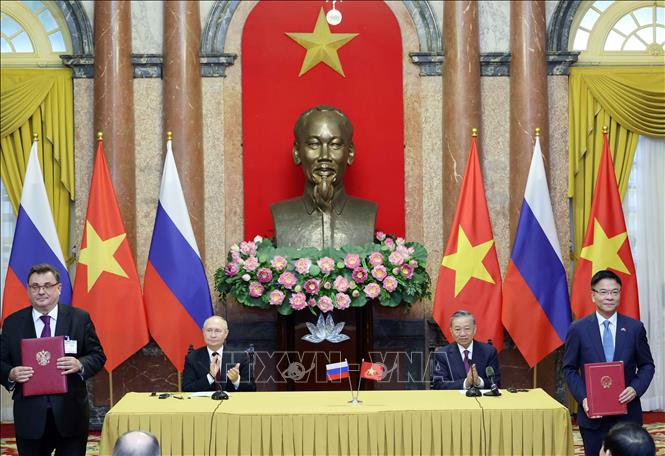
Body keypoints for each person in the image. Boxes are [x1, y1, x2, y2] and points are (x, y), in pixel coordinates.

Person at [0, 263, 106, 455]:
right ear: (28, 289)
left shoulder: (79, 319)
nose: (41, 291)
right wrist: (10, 373)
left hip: (71, 414)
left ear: (59, 288)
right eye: (35, 286)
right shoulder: (12, 323)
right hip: (30, 417)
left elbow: (98, 356)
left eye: (47, 286)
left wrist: (80, 364)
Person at [563, 270, 655, 456]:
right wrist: (584, 398)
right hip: (593, 415)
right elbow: (569, 369)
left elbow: (647, 365)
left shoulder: (635, 328)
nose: (609, 297)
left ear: (620, 294)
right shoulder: (578, 329)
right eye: (603, 292)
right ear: (593, 295)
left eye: (614, 292)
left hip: (627, 414)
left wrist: (635, 388)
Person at [271, 105, 377, 249]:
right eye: (314, 144)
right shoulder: (282, 214)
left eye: (335, 145)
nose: (324, 156)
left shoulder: (367, 212)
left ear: (350, 153)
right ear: (297, 152)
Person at [182, 316, 256, 392]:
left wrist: (236, 380)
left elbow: (252, 389)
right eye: (209, 330)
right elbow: (186, 389)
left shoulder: (240, 356)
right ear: (203, 332)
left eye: (217, 331)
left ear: (226, 333)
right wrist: (210, 377)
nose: (213, 335)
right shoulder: (192, 358)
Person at [431, 310, 501, 390]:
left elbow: (496, 382)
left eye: (467, 329)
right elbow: (439, 385)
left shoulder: (489, 352)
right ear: (451, 331)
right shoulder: (442, 354)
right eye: (457, 329)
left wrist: (479, 382)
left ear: (474, 330)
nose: (463, 334)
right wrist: (466, 383)